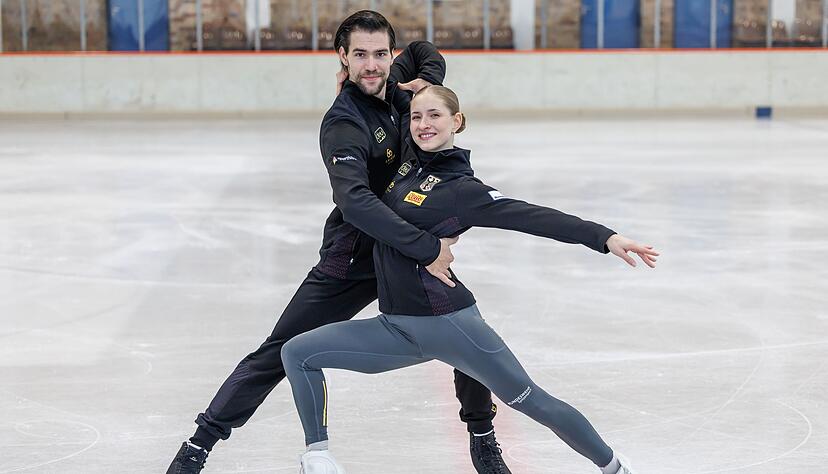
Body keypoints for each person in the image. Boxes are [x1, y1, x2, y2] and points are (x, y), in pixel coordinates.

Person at [167, 11, 511, 474]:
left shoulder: (398, 85)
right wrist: (428, 248)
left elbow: (426, 52)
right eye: (360, 55)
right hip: (354, 259)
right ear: (343, 58)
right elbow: (356, 203)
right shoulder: (343, 122)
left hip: (404, 254)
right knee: (280, 349)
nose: (372, 65)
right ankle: (197, 446)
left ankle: (482, 437)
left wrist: (426, 84)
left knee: (465, 333)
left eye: (380, 54)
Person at [281, 84, 659, 474]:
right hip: (395, 327)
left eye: (435, 115)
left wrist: (605, 237)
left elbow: (531, 216)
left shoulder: (462, 189)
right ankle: (319, 456)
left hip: (451, 326)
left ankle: (614, 466)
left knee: (533, 401)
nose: (423, 124)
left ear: (456, 121)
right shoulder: (407, 167)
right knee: (297, 353)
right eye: (416, 116)